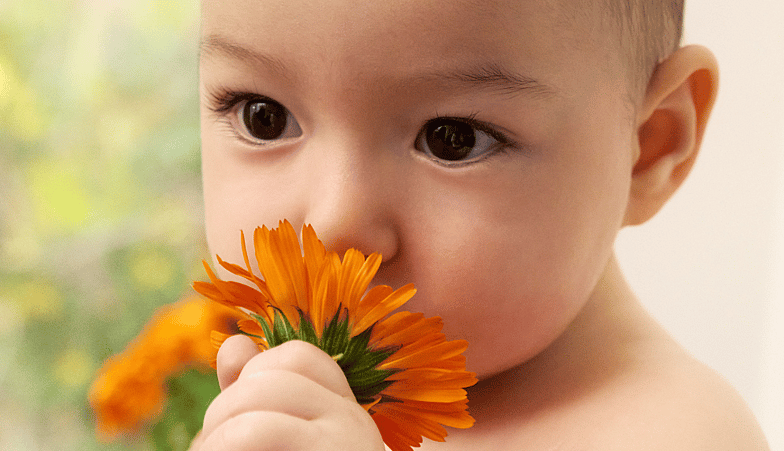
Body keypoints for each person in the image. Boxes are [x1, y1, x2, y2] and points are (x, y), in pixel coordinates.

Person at [190, 0, 770, 449]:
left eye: (452, 138)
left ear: (647, 147)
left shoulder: (673, 433)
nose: (333, 223)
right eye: (263, 117)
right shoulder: (272, 406)